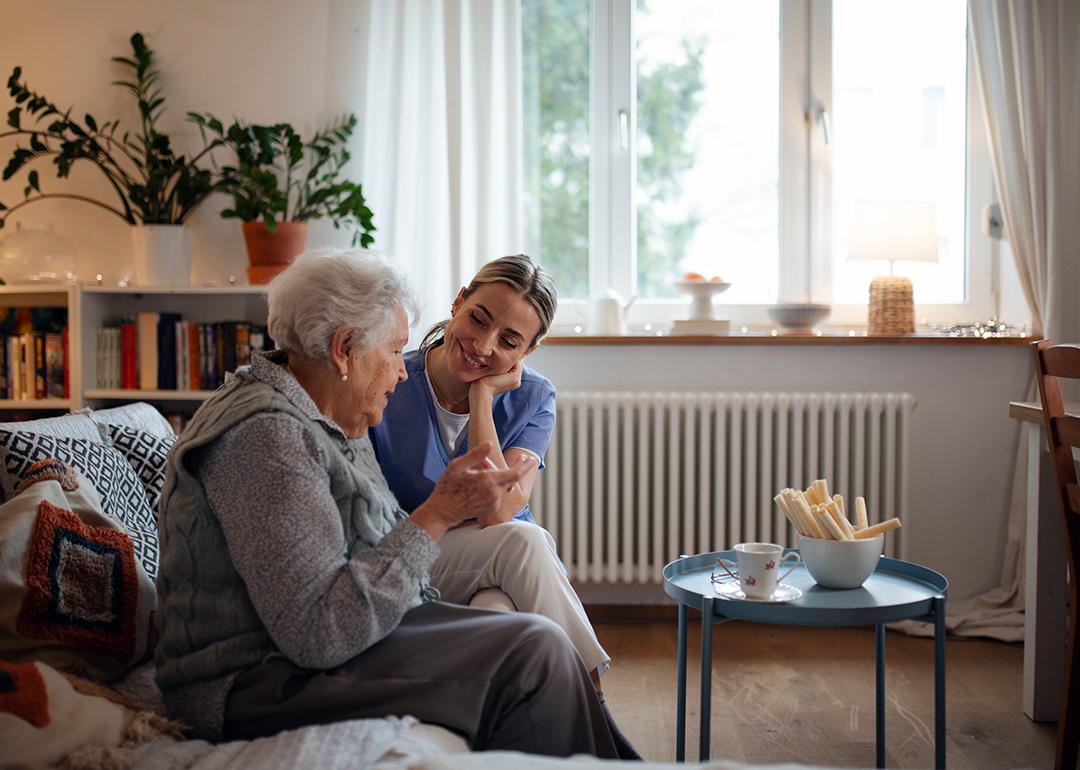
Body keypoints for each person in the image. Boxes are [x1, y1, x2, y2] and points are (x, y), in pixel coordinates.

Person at [153, 248, 619, 758]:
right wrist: (439, 512)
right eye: (396, 351)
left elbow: (371, 543)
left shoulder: (328, 409)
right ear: (344, 349)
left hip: (314, 645)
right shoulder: (268, 437)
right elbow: (318, 634)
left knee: (529, 636)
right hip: (253, 679)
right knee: (534, 650)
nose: (403, 373)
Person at [370, 254, 639, 759]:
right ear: (458, 303)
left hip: (496, 563)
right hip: (412, 553)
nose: (483, 346)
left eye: (509, 342)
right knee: (523, 539)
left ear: (530, 350)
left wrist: (482, 398)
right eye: (477, 319)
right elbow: (501, 519)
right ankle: (600, 717)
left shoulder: (535, 395)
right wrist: (483, 388)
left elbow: (498, 510)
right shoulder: (392, 378)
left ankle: (541, 744)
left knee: (502, 608)